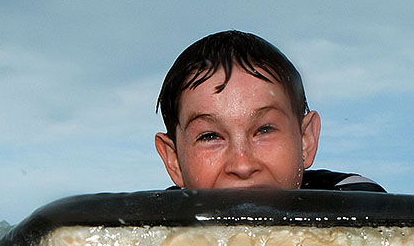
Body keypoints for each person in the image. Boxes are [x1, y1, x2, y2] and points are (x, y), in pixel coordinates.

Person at [155, 30, 384, 192]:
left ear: (306, 141)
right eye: (210, 136)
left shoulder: (357, 205)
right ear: (174, 161)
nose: (242, 165)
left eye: (264, 130)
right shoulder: (149, 237)